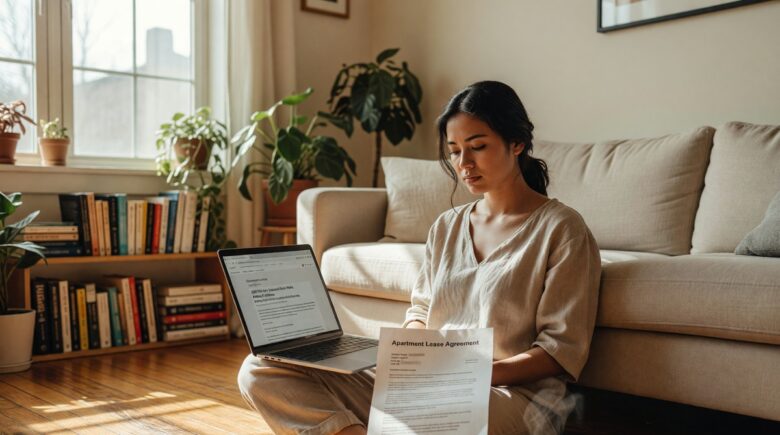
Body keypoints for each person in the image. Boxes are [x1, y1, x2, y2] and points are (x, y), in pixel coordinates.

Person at [237, 80, 602, 435]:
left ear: (517, 142)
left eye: (478, 146)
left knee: (433, 418)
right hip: (430, 383)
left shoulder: (562, 229)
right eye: (455, 150)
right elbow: (421, 313)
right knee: (259, 369)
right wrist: (408, 356)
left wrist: (471, 372)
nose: (464, 163)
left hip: (508, 394)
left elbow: (559, 351)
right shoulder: (446, 226)